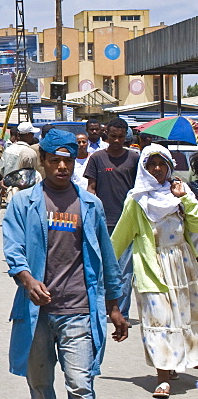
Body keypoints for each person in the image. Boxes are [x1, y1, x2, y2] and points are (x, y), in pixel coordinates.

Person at [3, 129, 127, 399]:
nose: (61, 167)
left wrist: (114, 307)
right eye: (54, 160)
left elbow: (107, 255)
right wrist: (27, 280)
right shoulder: (22, 203)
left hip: (79, 311)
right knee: (40, 384)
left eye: (67, 161)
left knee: (80, 385)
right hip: (36, 313)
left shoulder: (90, 205)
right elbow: (13, 250)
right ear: (42, 162)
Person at [110, 145, 198, 398]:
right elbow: (120, 238)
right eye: (151, 164)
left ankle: (173, 363)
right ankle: (163, 377)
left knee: (182, 319)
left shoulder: (181, 193)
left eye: (162, 164)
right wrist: (102, 267)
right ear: (144, 168)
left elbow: (196, 223)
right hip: (153, 268)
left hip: (183, 266)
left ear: (170, 167)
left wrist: (186, 198)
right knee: (158, 321)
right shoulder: (136, 200)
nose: (157, 169)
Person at [84, 117, 139, 319]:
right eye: (113, 136)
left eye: (121, 137)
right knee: (101, 269)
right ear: (107, 135)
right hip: (102, 223)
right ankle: (100, 308)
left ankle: (121, 312)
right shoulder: (97, 158)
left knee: (124, 271)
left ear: (126, 137)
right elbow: (91, 189)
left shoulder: (134, 158)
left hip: (127, 223)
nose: (116, 140)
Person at [1, 122, 41, 197]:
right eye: (32, 134)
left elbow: (2, 169)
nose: (33, 136)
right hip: (27, 193)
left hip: (10, 191)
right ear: (27, 135)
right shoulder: (30, 152)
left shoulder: (8, 150)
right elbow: (33, 173)